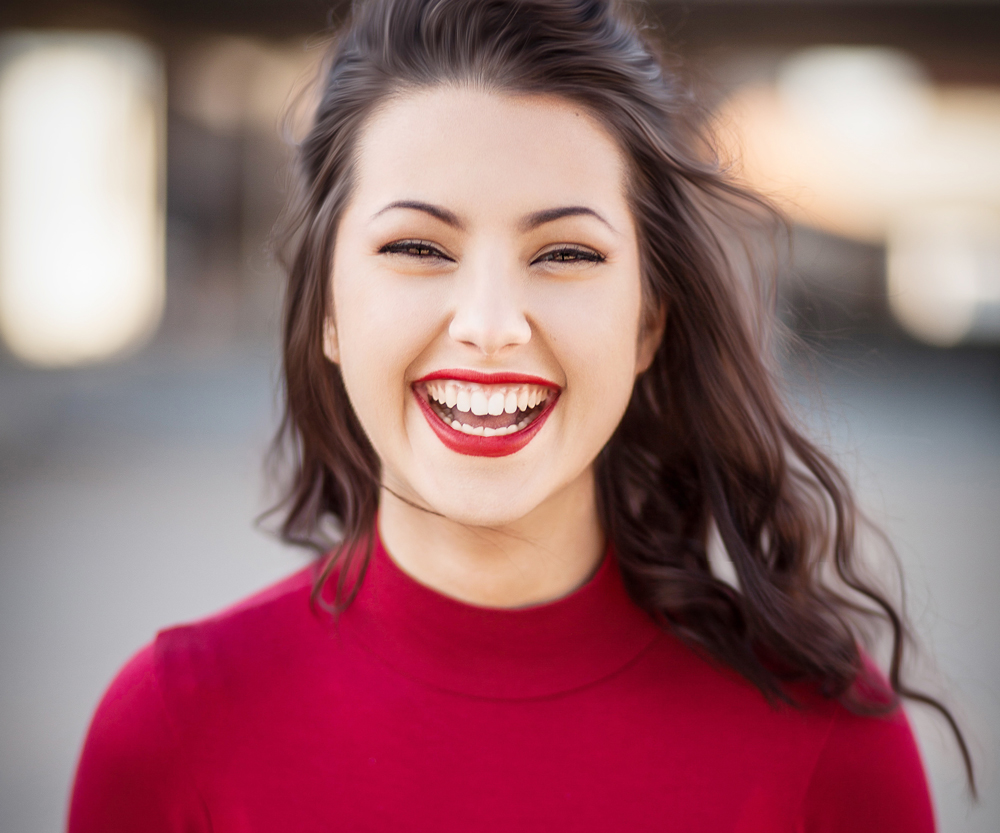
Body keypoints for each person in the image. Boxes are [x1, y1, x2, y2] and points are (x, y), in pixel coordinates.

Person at [68, 0, 973, 830]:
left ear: (649, 320)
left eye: (566, 252)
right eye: (419, 246)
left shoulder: (826, 735)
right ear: (329, 309)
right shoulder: (172, 727)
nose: (492, 327)